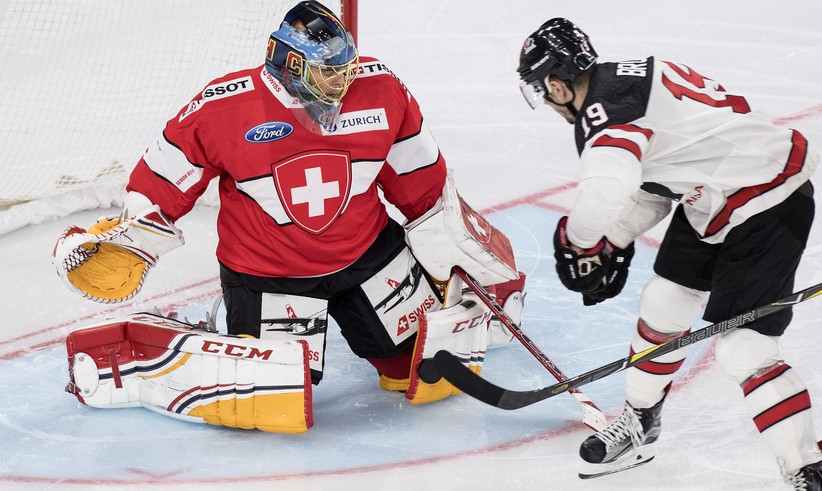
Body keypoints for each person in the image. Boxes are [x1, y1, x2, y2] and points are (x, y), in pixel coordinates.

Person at [52, 1, 524, 434]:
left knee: (424, 371)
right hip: (268, 273)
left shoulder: (380, 89)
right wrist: (135, 235)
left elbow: (420, 179)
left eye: (345, 70)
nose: (342, 83)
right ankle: (168, 348)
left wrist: (453, 253)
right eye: (329, 72)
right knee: (270, 404)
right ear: (290, 63)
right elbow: (162, 177)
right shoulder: (222, 107)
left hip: (367, 254)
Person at [516, 17, 822, 490]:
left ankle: (808, 468)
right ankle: (640, 422)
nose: (544, 103)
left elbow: (607, 190)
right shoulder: (632, 75)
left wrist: (582, 242)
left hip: (768, 202)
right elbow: (659, 183)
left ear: (557, 85)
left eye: (541, 92)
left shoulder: (605, 113)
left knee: (744, 349)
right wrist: (616, 239)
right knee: (663, 304)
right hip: (713, 194)